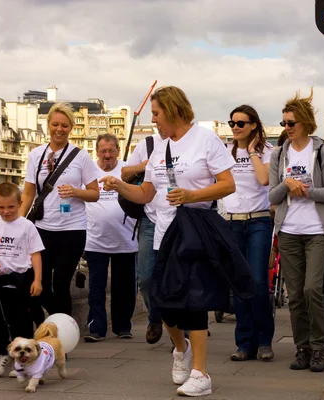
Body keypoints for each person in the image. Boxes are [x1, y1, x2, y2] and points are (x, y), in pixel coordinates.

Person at [100, 86, 237, 397]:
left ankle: (201, 374)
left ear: (173, 110)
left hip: (194, 233)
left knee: (194, 302)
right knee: (159, 297)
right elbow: (147, 193)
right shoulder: (159, 147)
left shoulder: (205, 140)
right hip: (163, 234)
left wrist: (192, 195)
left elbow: (227, 184)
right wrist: (120, 185)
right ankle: (180, 346)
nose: (154, 120)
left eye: (157, 114)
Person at [269, 89, 324, 372]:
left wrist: (305, 191)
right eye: (284, 122)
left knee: (313, 289)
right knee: (295, 294)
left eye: (291, 123)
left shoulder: (321, 151)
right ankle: (303, 348)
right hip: (288, 230)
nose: (287, 128)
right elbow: (272, 197)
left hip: (317, 231)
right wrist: (287, 185)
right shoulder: (279, 154)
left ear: (306, 123)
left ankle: (320, 347)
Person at [20, 103, 100, 317]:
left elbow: (95, 193)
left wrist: (76, 192)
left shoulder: (80, 156)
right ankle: (60, 324)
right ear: (48, 125)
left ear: (71, 128)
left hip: (72, 230)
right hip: (42, 229)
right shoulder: (36, 155)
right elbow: (28, 194)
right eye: (55, 124)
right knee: (40, 283)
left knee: (62, 284)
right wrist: (15, 223)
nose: (59, 129)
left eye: (64, 125)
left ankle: (62, 337)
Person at [223, 105, 275, 362]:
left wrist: (253, 152)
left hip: (259, 221)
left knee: (257, 282)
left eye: (240, 123)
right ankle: (244, 343)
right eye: (232, 122)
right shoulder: (225, 152)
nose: (235, 127)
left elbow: (265, 179)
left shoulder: (267, 151)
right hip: (233, 222)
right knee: (239, 283)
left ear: (253, 125)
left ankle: (264, 340)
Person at [0, 182, 44, 377]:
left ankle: (22, 362)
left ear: (20, 203)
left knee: (22, 318)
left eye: (11, 207)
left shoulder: (27, 226)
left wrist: (37, 280)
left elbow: (36, 254)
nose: (6, 211)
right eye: (1, 207)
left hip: (22, 277)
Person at [83, 133, 139, 342]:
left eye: (111, 150)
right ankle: (96, 328)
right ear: (96, 151)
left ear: (118, 150)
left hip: (125, 239)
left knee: (124, 288)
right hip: (95, 240)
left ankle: (123, 326)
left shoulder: (126, 170)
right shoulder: (88, 171)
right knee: (96, 288)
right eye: (103, 151)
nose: (107, 155)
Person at [121, 130, 167, 344]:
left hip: (180, 219)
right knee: (146, 278)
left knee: (179, 276)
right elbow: (125, 173)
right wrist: (142, 166)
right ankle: (156, 317)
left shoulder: (189, 142)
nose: (155, 119)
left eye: (158, 113)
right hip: (150, 219)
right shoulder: (147, 144)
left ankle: (183, 331)